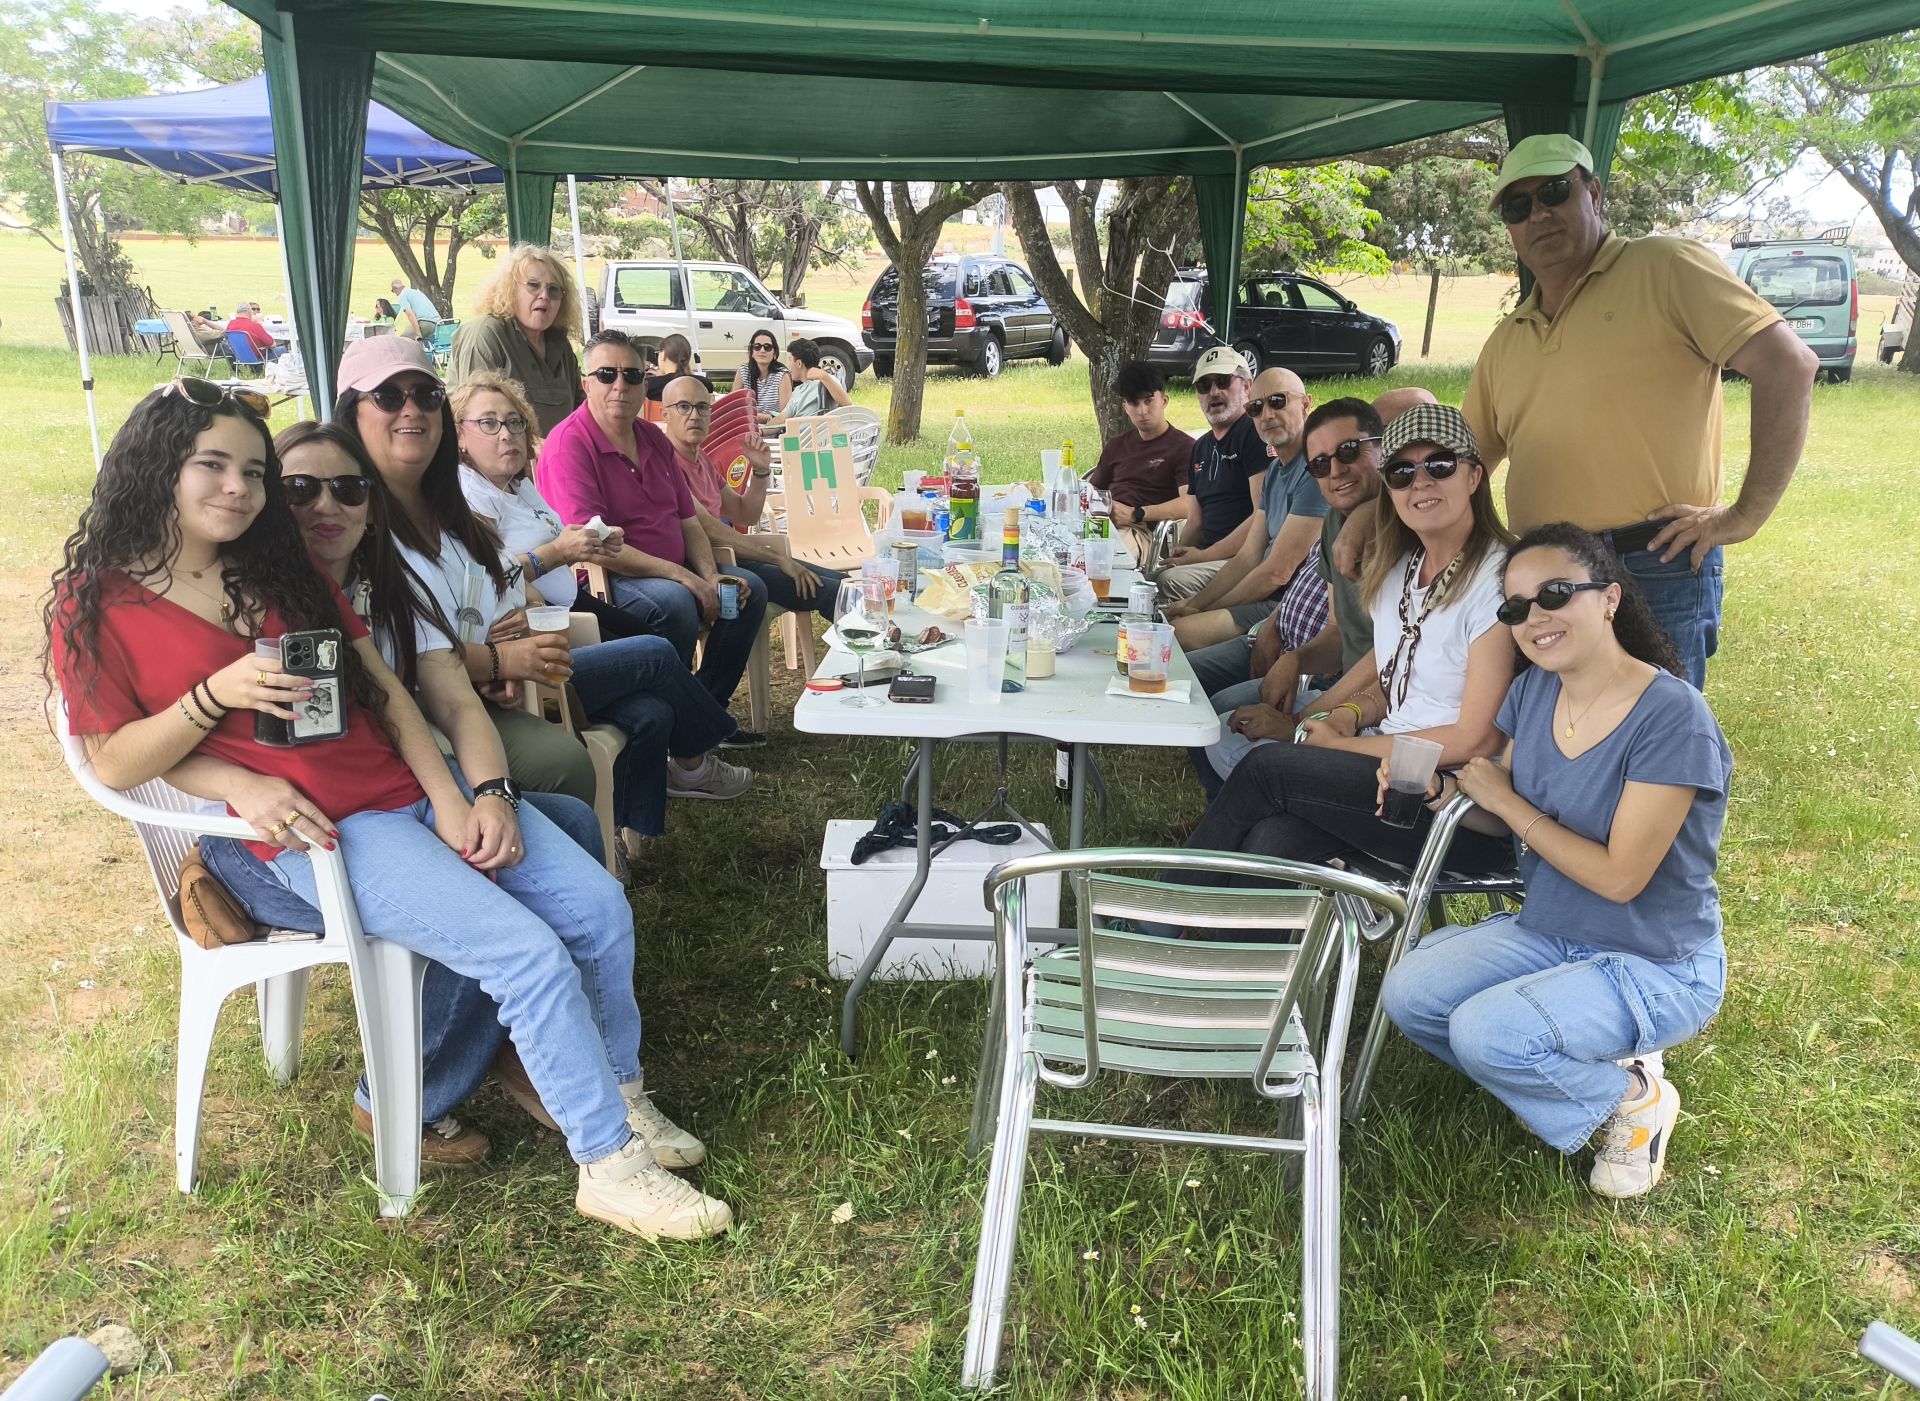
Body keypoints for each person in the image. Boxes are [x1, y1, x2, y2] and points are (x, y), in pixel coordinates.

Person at [45, 377, 731, 1238]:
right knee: (524, 953)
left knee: (598, 907)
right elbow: (111, 757)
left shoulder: (278, 572)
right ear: (155, 469)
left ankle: (626, 1100)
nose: (239, 490)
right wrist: (217, 713)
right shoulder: (98, 600)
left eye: (253, 472)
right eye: (212, 467)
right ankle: (608, 1163)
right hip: (320, 832)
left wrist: (457, 796)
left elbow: (393, 697)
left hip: (403, 792)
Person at [1381, 523, 1730, 1199]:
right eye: (1514, 607)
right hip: (1553, 928)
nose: (1533, 617)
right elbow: (1495, 805)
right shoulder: (1535, 692)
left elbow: (1619, 876)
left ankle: (1634, 1099)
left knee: (1485, 1033)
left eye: (1555, 594)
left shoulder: (1673, 718)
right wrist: (1436, 790)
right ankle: (1567, 1063)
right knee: (1409, 995)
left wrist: (1506, 804)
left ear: (1608, 599)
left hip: (1654, 959)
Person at [1456, 134, 1814, 689]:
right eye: (1518, 206)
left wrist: (1744, 516)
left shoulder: (1666, 266)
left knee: (1661, 739)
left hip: (1654, 561)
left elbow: (1787, 365)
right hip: (1544, 576)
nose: (1539, 214)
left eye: (1554, 191)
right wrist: (1366, 518)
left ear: (1594, 193)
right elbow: (1462, 460)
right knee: (1557, 740)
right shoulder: (1509, 337)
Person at [1179, 403, 1517, 874]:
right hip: (1390, 780)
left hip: (1458, 806)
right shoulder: (1406, 569)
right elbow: (1394, 675)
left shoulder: (1500, 581)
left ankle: (1148, 918)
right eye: (1401, 472)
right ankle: (1195, 937)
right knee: (1275, 837)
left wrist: (1340, 747)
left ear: (1475, 477)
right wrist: (1344, 715)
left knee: (1268, 769)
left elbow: (1474, 738)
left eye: (1439, 465)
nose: (1419, 482)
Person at [450, 369, 753, 841]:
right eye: (488, 423)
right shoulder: (466, 497)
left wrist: (590, 546)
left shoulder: (516, 486)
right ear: (461, 436)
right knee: (655, 652)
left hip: (567, 619)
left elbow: (534, 569)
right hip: (528, 655)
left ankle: (628, 834)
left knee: (652, 711)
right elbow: (487, 583)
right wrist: (557, 554)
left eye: (513, 422)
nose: (506, 433)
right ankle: (700, 749)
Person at [331, 336, 594, 807]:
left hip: (471, 699)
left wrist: (509, 649)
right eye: (389, 396)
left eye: (427, 396)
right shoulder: (347, 517)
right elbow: (384, 651)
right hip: (403, 720)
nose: (411, 409)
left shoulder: (451, 512)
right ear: (352, 414)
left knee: (578, 753)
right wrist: (498, 661)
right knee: (564, 763)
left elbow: (499, 590)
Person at [536, 330, 767, 734]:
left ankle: (700, 713)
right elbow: (594, 547)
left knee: (746, 590)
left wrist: (711, 576)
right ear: (585, 383)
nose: (620, 385)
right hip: (611, 578)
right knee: (675, 602)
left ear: (646, 384)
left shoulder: (652, 439)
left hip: (672, 567)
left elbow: (688, 520)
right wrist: (685, 577)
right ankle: (691, 732)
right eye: (607, 374)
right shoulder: (570, 445)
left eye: (631, 374)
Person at [1190, 396, 1388, 791]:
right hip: (1332, 684)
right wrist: (1294, 660)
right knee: (1212, 719)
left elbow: (1389, 658)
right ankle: (1228, 814)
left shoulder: (1408, 529)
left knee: (1234, 746)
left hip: (1372, 709)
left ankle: (1243, 821)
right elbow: (1337, 630)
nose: (1336, 471)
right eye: (1320, 464)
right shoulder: (1336, 522)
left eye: (1349, 450)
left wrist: (1299, 723)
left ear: (1383, 448)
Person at [658, 372, 845, 631]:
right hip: (711, 562)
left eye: (703, 407)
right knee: (836, 592)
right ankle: (870, 656)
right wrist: (778, 559)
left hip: (735, 556)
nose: (694, 415)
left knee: (845, 583)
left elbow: (745, 515)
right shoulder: (666, 463)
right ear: (665, 414)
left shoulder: (702, 460)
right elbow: (709, 530)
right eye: (683, 407)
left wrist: (760, 472)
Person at [1163, 365, 1325, 653]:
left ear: (1306, 404)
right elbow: (1247, 557)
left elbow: (1277, 572)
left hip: (1284, 607)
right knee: (1168, 621)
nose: (1267, 415)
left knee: (1175, 635)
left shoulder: (1317, 472)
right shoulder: (1275, 470)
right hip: (1265, 596)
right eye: (1256, 408)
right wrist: (1194, 604)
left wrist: (1205, 609)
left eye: (1278, 401)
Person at [1153, 346, 1266, 600]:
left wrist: (1203, 557)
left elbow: (1263, 517)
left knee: (1168, 583)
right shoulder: (1200, 447)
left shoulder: (1255, 434)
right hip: (1208, 558)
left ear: (1247, 387)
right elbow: (1195, 521)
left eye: (1224, 381)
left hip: (1244, 560)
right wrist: (1178, 556)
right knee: (1146, 582)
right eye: (1204, 385)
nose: (1214, 392)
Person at [447, 245, 585, 435]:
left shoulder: (560, 344)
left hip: (554, 459)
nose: (544, 295)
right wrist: (541, 449)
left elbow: (580, 412)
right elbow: (479, 420)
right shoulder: (486, 333)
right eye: (533, 285)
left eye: (554, 290)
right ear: (510, 290)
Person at [1088, 360, 1194, 560]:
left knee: (1102, 557)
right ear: (1125, 407)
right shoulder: (1116, 446)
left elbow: (1188, 504)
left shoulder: (1184, 447)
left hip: (1143, 532)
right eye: (1134, 403)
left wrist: (1136, 514)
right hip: (1102, 524)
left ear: (1164, 401)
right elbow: (1092, 491)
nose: (1142, 411)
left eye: (1148, 401)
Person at [773, 337, 852, 421]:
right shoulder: (798, 391)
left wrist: (823, 376)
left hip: (814, 432)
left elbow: (846, 403)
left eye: (790, 360)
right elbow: (781, 418)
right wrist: (762, 429)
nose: (789, 365)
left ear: (799, 363)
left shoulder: (825, 380)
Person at [741, 330, 790, 421]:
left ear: (775, 353)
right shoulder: (743, 372)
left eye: (767, 347)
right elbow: (733, 409)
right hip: (745, 429)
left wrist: (752, 416)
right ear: (752, 352)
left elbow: (785, 416)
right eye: (757, 347)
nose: (762, 350)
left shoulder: (782, 374)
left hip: (773, 430)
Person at [644, 334, 708, 402]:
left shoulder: (650, 385)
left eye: (657, 353)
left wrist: (659, 378)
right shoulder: (703, 383)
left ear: (663, 355)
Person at [390, 278, 441, 344]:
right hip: (437, 325)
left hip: (425, 324)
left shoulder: (402, 295)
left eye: (393, 291)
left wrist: (418, 333)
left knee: (402, 341)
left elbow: (410, 315)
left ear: (395, 289)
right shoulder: (416, 292)